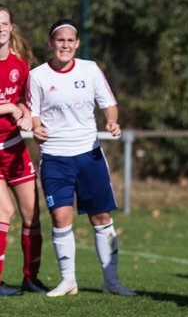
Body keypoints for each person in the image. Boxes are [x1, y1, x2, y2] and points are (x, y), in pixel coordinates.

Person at [27, 19, 134, 298]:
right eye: (59, 40)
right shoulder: (37, 75)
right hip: (54, 158)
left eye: (70, 40)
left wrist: (112, 121)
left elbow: (108, 104)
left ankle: (111, 281)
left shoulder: (90, 69)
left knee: (101, 216)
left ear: (77, 44)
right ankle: (68, 281)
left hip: (89, 154)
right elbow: (34, 114)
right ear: (51, 44)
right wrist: (36, 128)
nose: (65, 45)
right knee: (61, 217)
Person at [0, 6, 46, 294]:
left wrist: (27, 115)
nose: (0, 28)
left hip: (15, 149)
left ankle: (31, 278)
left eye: (4, 23)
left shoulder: (19, 66)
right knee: (4, 212)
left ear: (11, 27)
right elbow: (12, 105)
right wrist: (10, 107)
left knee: (32, 215)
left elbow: (27, 103)